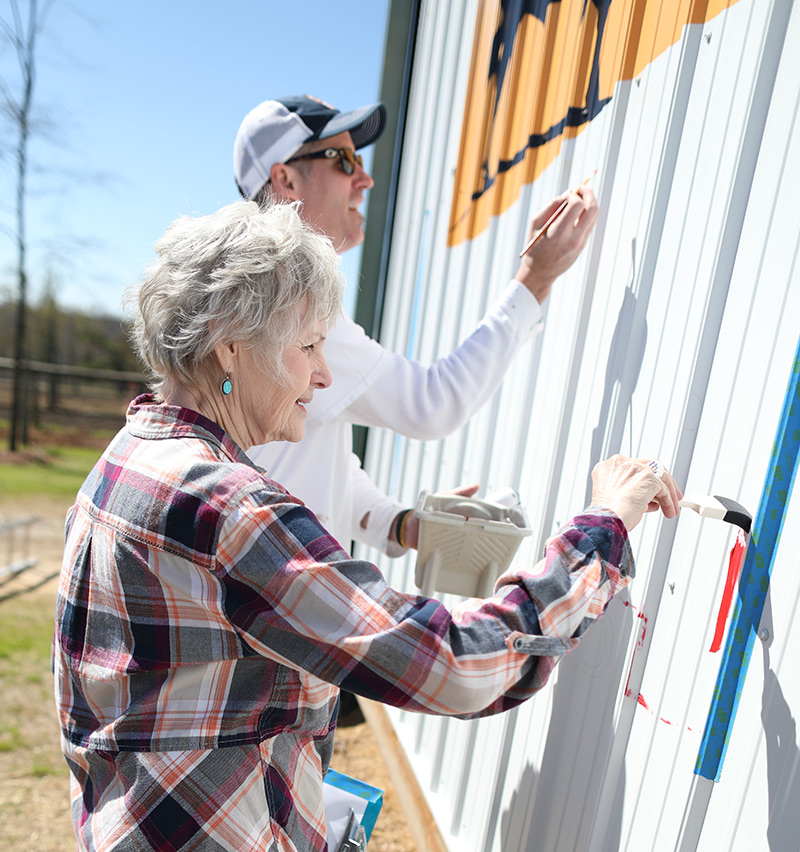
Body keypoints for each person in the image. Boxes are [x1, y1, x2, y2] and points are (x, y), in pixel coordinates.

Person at [53, 199, 681, 852]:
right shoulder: (227, 507)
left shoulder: (126, 459)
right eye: (308, 346)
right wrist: (599, 533)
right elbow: (455, 667)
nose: (324, 375)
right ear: (229, 345)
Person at [233, 95, 600, 554]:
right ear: (285, 179)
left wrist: (404, 524)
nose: (364, 178)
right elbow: (433, 403)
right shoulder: (289, 297)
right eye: (343, 159)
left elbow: (316, 460)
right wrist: (535, 278)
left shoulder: (261, 285)